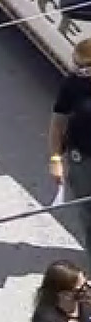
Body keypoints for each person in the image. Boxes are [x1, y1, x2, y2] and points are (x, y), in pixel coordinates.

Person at [49, 38, 91, 260]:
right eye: (76, 64)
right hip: (82, 159)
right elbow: (58, 121)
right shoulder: (73, 83)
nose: (77, 70)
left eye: (84, 67)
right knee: (88, 213)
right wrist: (55, 157)